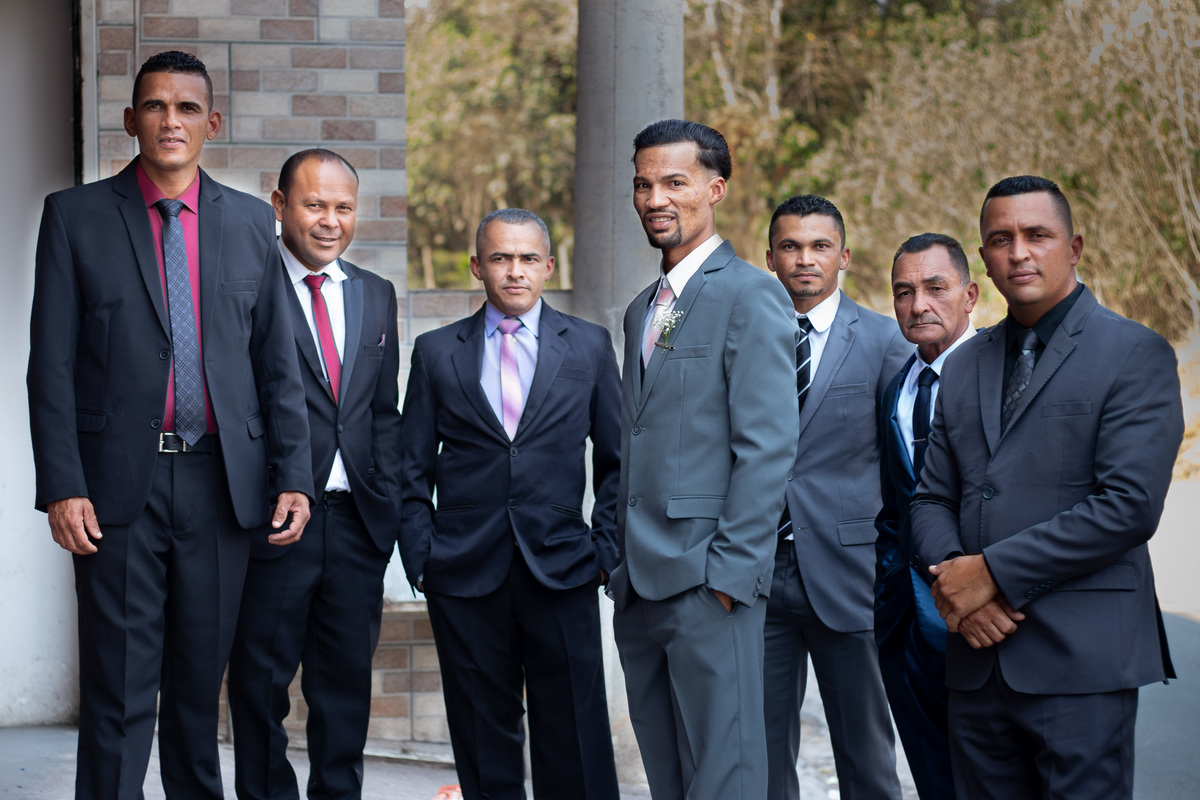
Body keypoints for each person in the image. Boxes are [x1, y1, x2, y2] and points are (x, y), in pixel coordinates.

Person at [26, 51, 312, 799]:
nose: (170, 120)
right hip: (117, 487)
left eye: (187, 108)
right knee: (119, 689)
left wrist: (295, 476)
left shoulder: (250, 222)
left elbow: (277, 363)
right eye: (155, 106)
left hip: (223, 485)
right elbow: (50, 365)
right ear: (131, 120)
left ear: (212, 123)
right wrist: (62, 484)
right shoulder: (75, 217)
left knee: (196, 689)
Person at [911, 175, 1182, 799]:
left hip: (1081, 659)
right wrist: (958, 584)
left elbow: (1128, 507)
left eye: (1037, 235)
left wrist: (991, 574)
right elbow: (931, 498)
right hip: (977, 659)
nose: (1019, 252)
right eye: (1000, 239)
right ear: (984, 258)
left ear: (1075, 246)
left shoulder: (1134, 353)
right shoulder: (965, 364)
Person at [398, 208, 621, 800]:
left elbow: (618, 460)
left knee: (574, 732)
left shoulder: (590, 346)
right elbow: (410, 466)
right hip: (463, 571)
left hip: (564, 567)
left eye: (527, 258)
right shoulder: (436, 351)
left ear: (549, 266)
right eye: (501, 258)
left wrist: (605, 550)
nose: (514, 271)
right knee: (482, 733)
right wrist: (421, 558)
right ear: (478, 266)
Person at [608, 119, 799, 800]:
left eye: (674, 182)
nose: (655, 198)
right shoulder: (643, 309)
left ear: (715, 190)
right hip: (639, 586)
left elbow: (768, 446)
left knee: (726, 778)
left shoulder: (751, 293)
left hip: (707, 584)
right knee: (670, 778)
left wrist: (730, 577)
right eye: (643, 184)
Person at [227, 149, 402, 800]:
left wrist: (385, 504)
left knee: (344, 690)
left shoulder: (376, 294)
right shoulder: (249, 286)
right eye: (315, 205)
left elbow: (382, 411)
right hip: (275, 523)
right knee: (260, 684)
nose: (330, 221)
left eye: (343, 207)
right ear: (280, 206)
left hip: (356, 525)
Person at [761, 194, 909, 800]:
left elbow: (905, 470)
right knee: (761, 756)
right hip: (757, 572)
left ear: (843, 256)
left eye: (820, 246)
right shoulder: (745, 339)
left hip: (851, 573)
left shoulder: (884, 341)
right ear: (770, 258)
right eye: (791, 246)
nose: (805, 259)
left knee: (865, 752)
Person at [874, 233, 979, 800]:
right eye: (904, 292)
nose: (919, 305)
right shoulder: (898, 386)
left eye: (936, 288)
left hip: (982, 618)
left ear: (970, 295)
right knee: (933, 777)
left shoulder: (1004, 374)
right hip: (905, 622)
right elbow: (896, 503)